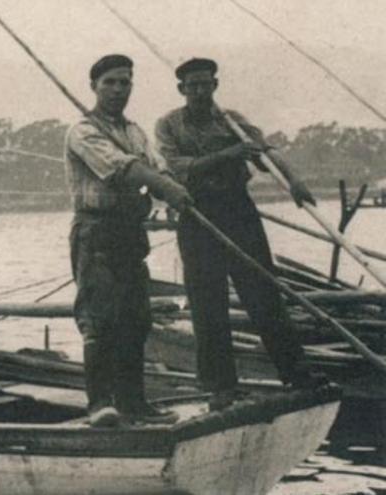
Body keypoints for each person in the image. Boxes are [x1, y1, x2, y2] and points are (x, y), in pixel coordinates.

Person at [155, 57, 328, 411]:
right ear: (182, 89)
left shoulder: (232, 121)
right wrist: (230, 153)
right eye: (193, 86)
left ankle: (296, 373)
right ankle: (221, 388)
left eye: (206, 84)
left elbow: (267, 151)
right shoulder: (169, 125)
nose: (201, 91)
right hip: (197, 214)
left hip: (238, 210)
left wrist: (293, 179)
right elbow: (180, 169)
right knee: (207, 302)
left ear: (215, 85)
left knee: (264, 291)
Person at [65, 54, 193, 426]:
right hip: (96, 231)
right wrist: (165, 187)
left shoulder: (135, 132)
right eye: (110, 82)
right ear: (94, 86)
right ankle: (99, 405)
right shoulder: (83, 131)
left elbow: (157, 166)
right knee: (100, 319)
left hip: (129, 233)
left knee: (136, 320)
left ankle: (134, 403)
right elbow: (123, 169)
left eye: (125, 82)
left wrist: (171, 187)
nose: (119, 89)